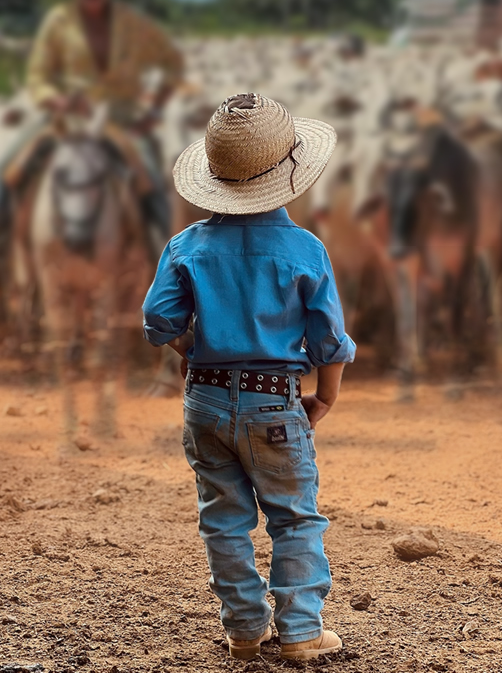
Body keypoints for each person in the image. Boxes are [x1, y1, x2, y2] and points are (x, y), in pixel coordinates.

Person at [142, 93, 354, 662]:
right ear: (291, 172)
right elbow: (329, 340)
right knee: (294, 517)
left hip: (204, 402)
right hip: (276, 406)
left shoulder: (185, 246)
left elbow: (158, 320)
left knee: (224, 518)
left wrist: (193, 349)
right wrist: (325, 398)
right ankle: (303, 631)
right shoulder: (305, 249)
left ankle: (243, 629)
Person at [13, 0, 185, 251]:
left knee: (150, 178)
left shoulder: (134, 23)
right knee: (10, 166)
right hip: (68, 120)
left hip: (121, 121)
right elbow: (37, 77)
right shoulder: (58, 22)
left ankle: (167, 257)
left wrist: (155, 112)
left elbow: (173, 61)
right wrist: (58, 101)